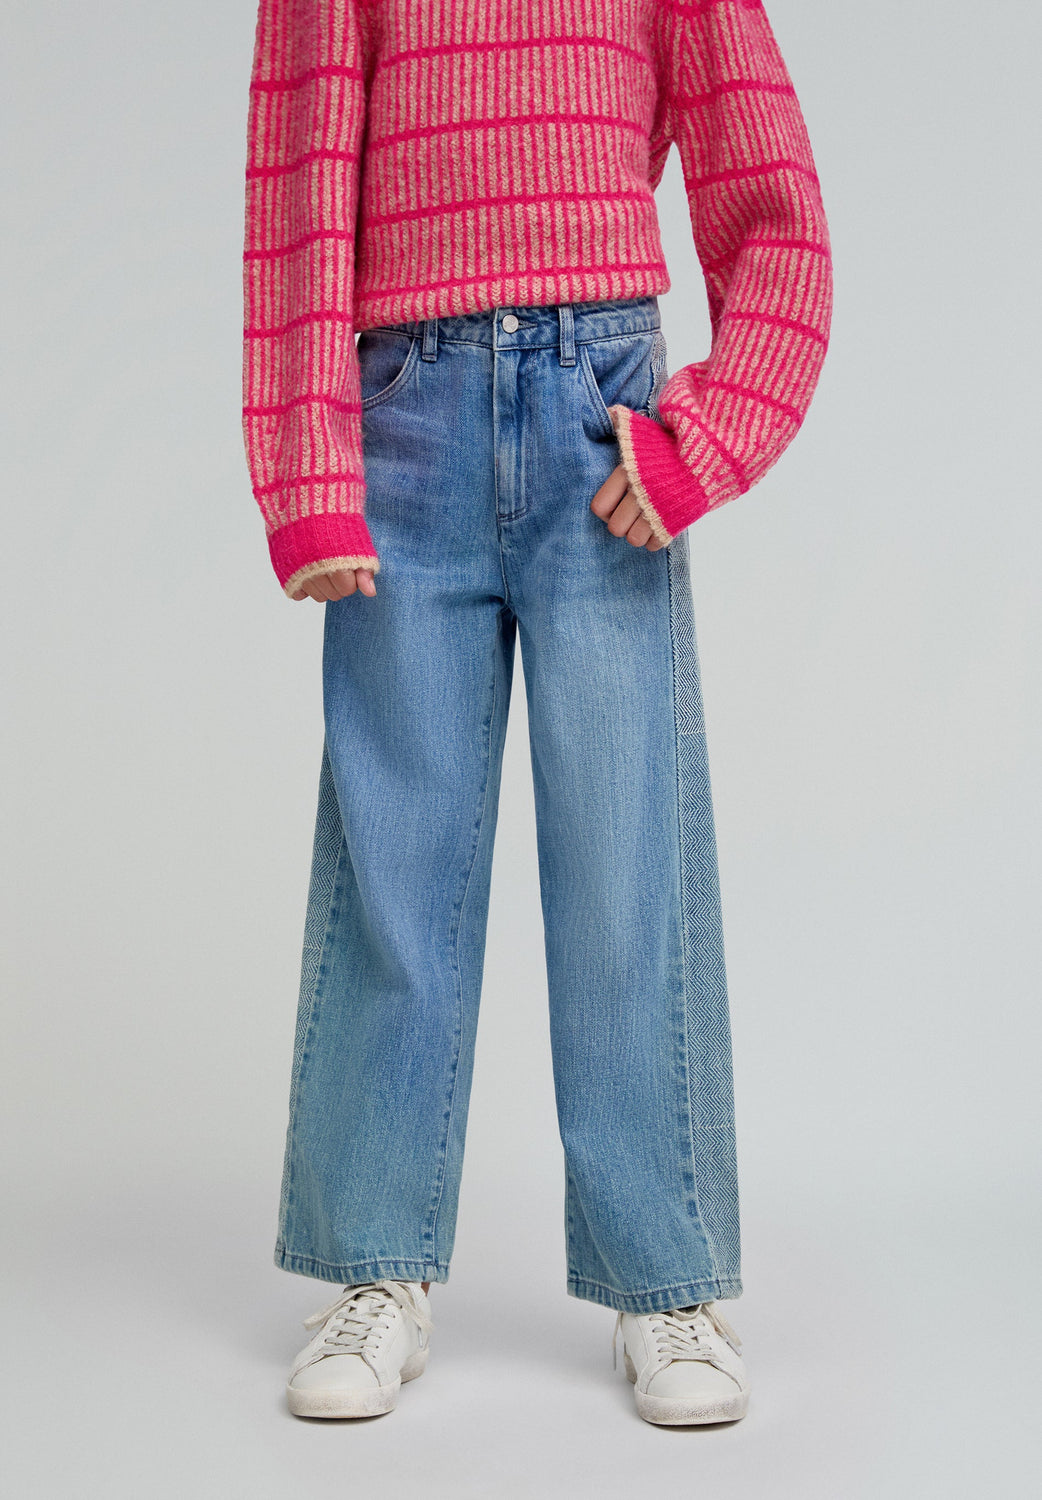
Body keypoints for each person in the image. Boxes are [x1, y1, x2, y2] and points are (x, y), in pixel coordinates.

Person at [241, 0, 832, 1426]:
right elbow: (298, 186)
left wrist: (711, 432)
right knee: (395, 858)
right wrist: (307, 465)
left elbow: (774, 207)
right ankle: (375, 1265)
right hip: (404, 413)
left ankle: (665, 1278)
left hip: (596, 414)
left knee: (628, 862)